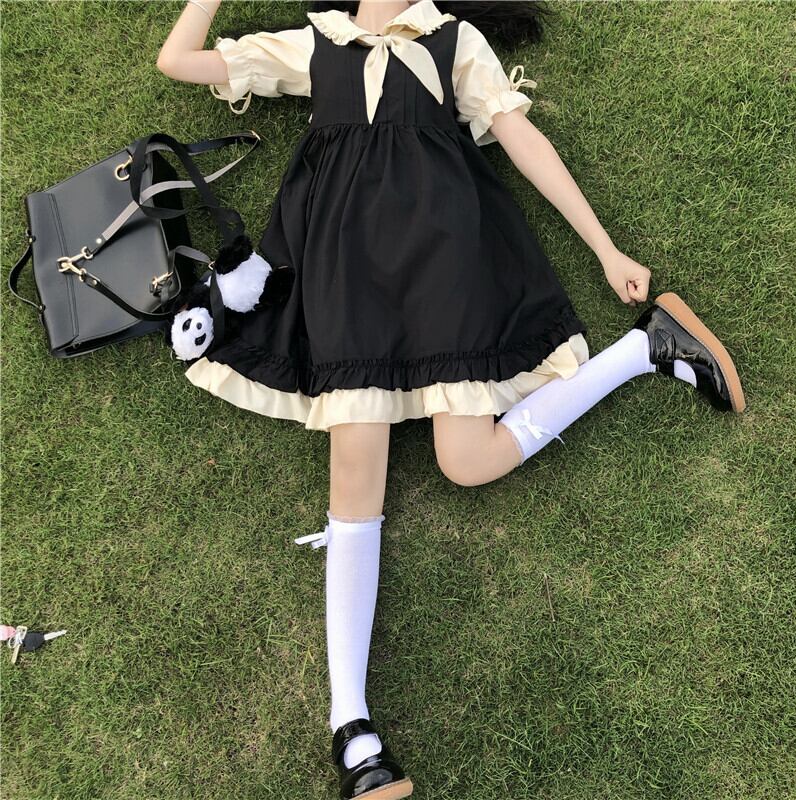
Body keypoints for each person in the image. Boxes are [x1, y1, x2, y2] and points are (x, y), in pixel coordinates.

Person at [156, 2, 745, 797]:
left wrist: (606, 249)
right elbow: (178, 60)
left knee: (466, 461)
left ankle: (645, 349)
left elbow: (522, 139)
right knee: (353, 472)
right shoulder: (315, 45)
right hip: (345, 282)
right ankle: (352, 729)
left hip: (446, 266)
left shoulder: (452, 41)